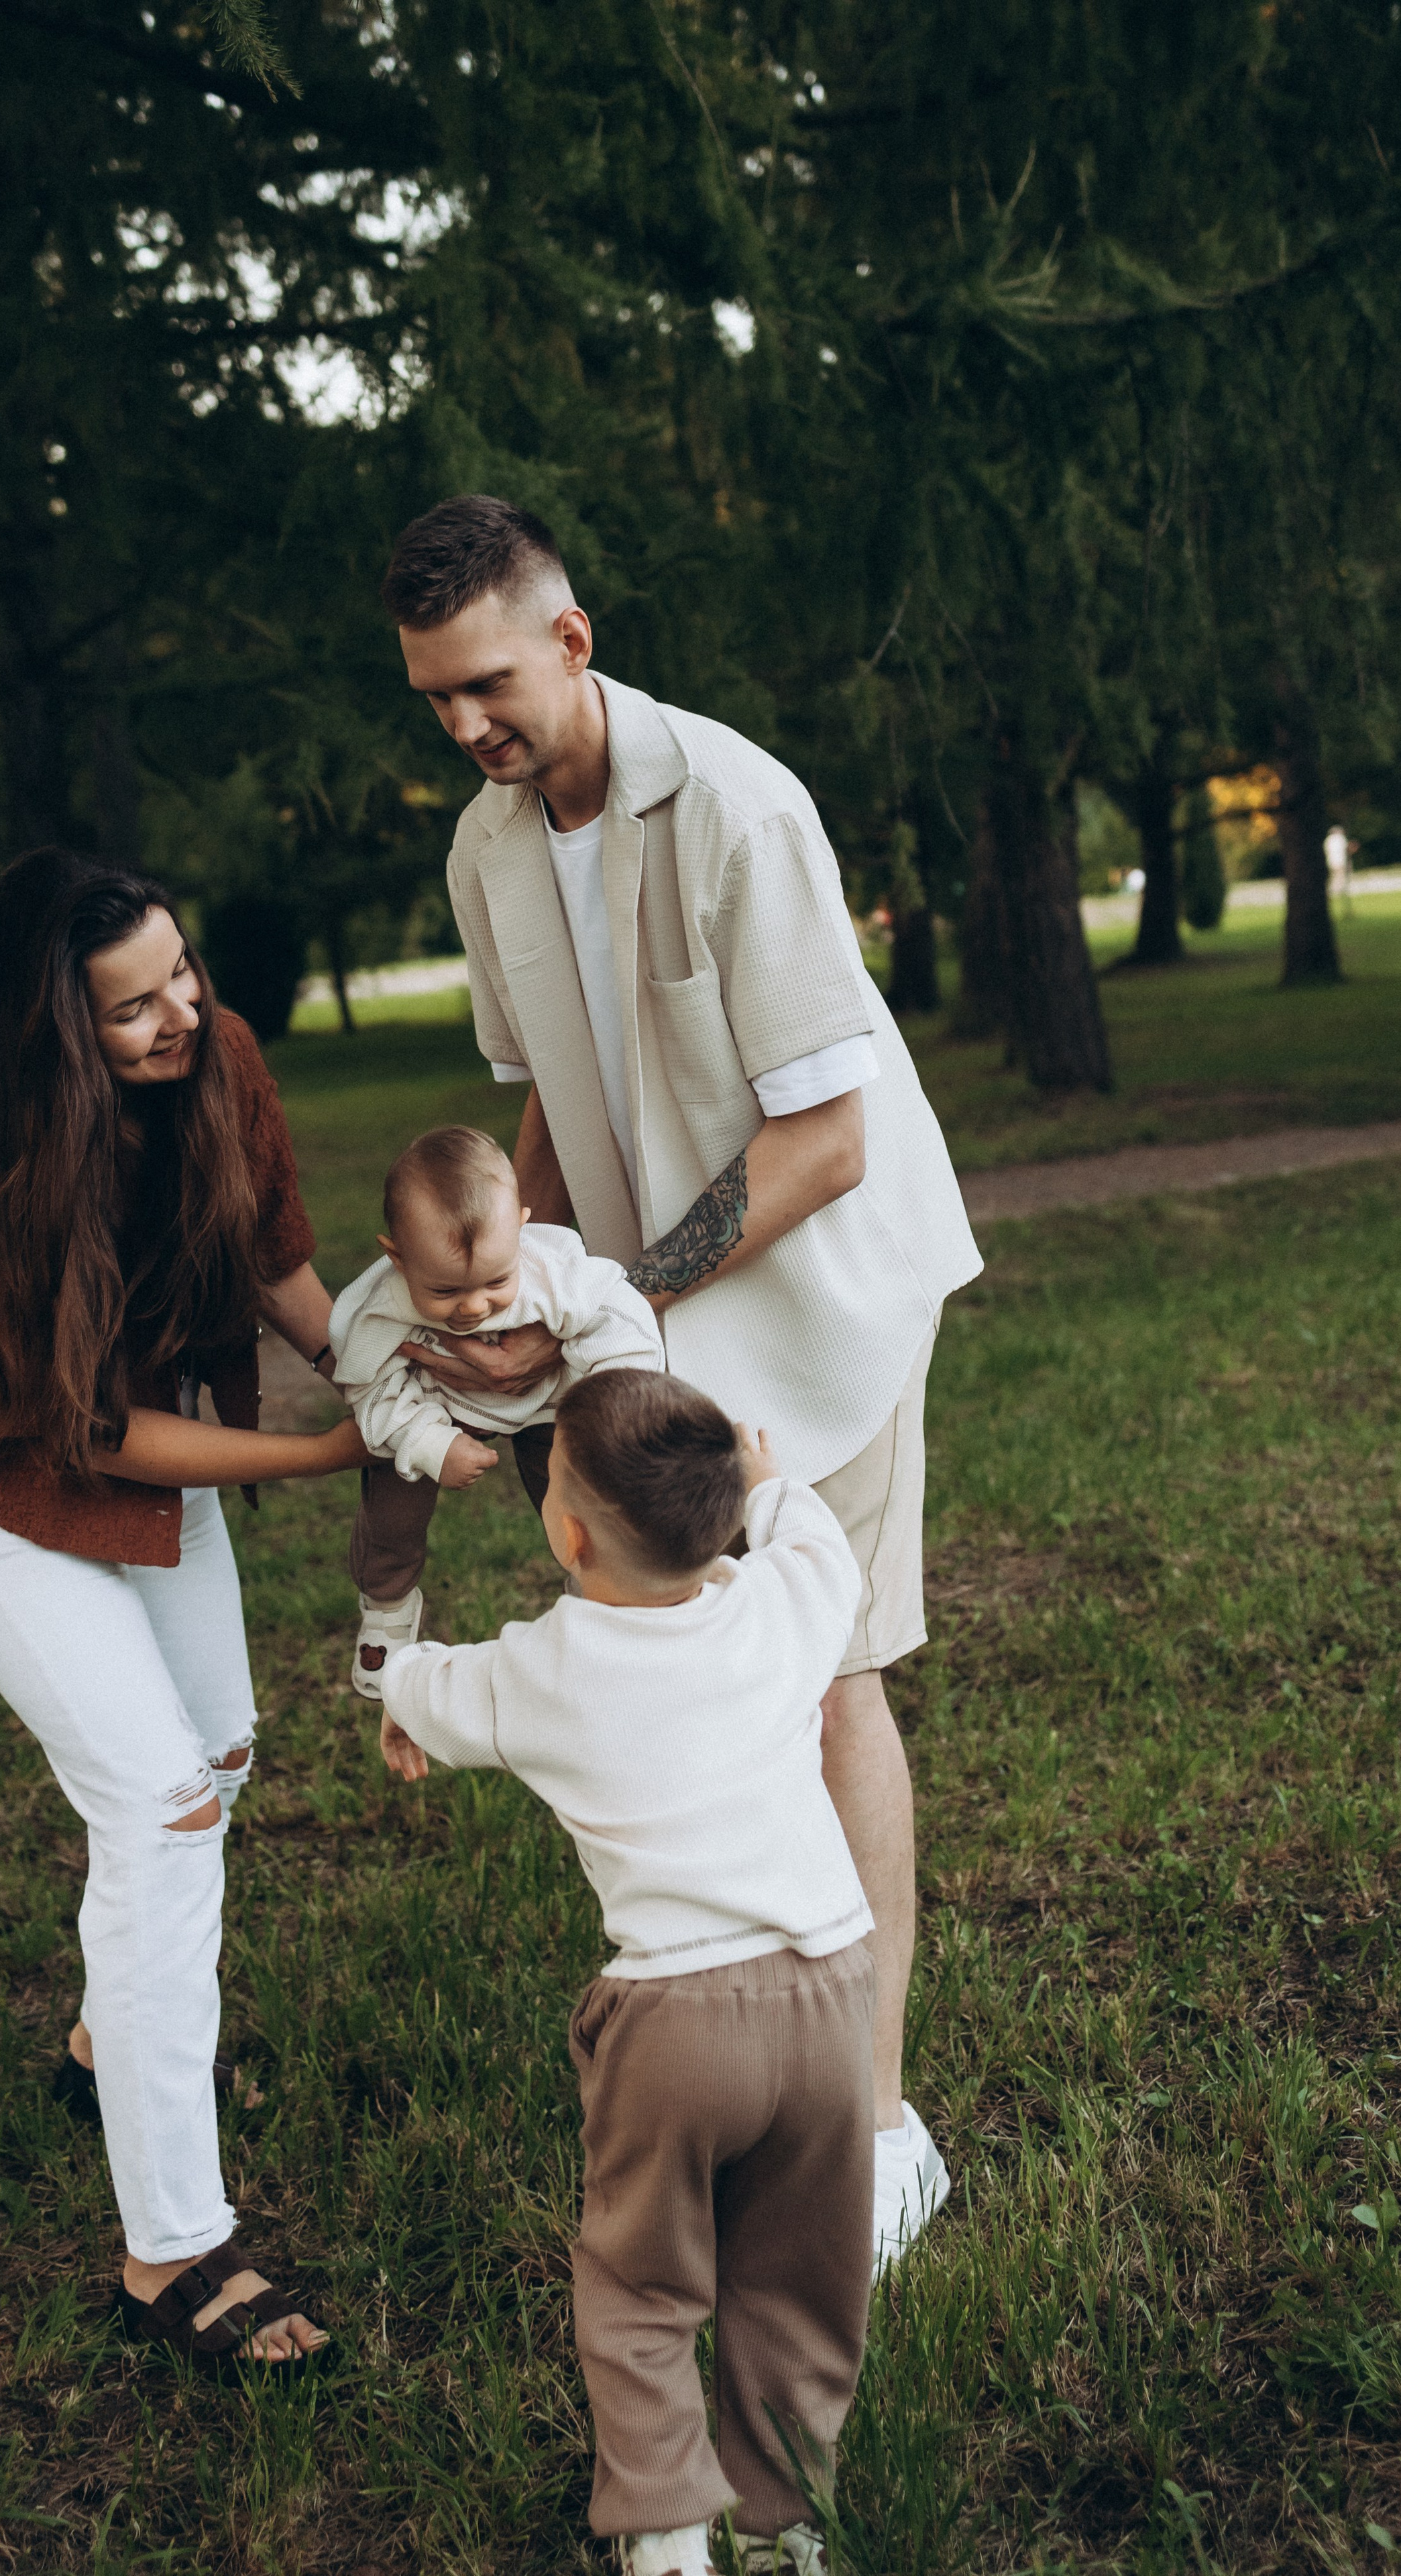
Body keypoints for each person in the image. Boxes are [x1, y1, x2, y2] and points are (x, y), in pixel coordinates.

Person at [380, 494, 983, 2269]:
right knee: (712, 1691)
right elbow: (553, 1101)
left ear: (570, 639)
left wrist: (622, 1295)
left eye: (487, 683)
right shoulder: (487, 855)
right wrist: (523, 1290)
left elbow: (822, 1142)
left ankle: (877, 2135)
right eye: (433, 700)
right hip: (668, 1318)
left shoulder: (732, 803)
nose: (468, 728)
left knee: (829, 1684)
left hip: (824, 1303)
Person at [0, 845, 366, 2375]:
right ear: (52, 1032)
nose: (180, 1012)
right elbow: (88, 1433)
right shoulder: (6, 1180)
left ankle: (110, 2038)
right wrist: (313, 1449)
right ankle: (170, 2249)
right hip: (11, 1502)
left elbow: (277, 1251)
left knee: (221, 1756)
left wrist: (388, 1378)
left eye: (182, 972)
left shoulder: (219, 1052)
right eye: (132, 1007)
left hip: (143, 1477)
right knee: (165, 1808)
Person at [378, 1369, 874, 2576]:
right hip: (831, 1999)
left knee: (643, 2283)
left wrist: (395, 1690)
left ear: (570, 1530)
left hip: (676, 2020)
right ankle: (784, 2525)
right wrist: (764, 1484)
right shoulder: (787, 1606)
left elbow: (432, 1689)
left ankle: (664, 2534)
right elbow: (813, 1536)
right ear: (719, 1519)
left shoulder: (544, 1669)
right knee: (803, 2279)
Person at [330, 1123, 663, 1694]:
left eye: (495, 1282)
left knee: (583, 1498)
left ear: (523, 1233)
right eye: (445, 1292)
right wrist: (431, 1443)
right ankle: (387, 1608)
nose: (474, 1306)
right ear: (398, 1257)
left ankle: (599, 1602)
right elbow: (370, 1385)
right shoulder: (378, 1310)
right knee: (393, 1506)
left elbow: (621, 1321)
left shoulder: (551, 1274)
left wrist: (602, 1405)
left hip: (545, 1403)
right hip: (436, 1401)